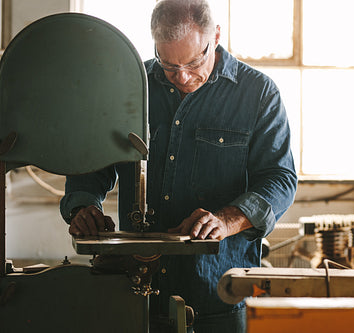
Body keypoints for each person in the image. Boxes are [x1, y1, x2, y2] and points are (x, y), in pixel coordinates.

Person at [60, 0, 297, 332]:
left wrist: (227, 221)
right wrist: (84, 205)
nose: (182, 76)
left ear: (215, 36)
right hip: (133, 289)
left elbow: (280, 179)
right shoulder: (129, 87)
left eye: (193, 61)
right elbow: (91, 165)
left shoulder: (258, 94)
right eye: (168, 64)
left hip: (219, 293)